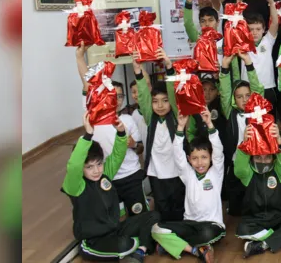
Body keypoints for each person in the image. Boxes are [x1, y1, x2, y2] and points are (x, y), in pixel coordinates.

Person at [62, 113, 160, 262]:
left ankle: (139, 249)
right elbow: (74, 165)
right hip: (94, 240)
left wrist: (121, 132)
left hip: (115, 230)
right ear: (81, 168)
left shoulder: (104, 175)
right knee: (123, 244)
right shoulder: (75, 186)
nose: (96, 170)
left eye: (99, 164)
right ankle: (142, 244)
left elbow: (117, 155)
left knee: (153, 216)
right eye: (89, 167)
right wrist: (88, 135)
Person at [75, 45, 148, 218]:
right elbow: (88, 84)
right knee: (111, 217)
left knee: (139, 215)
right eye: (112, 95)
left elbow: (140, 149)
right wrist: (79, 57)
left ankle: (143, 243)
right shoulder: (95, 116)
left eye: (120, 96)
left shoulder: (128, 120)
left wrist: (133, 144)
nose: (116, 99)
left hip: (131, 176)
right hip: (105, 177)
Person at [151, 112, 226, 262]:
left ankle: (173, 245)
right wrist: (180, 127)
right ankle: (196, 250)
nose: (200, 163)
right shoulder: (187, 173)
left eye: (204, 157)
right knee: (156, 229)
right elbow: (177, 153)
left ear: (211, 158)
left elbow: (218, 149)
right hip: (188, 224)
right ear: (189, 160)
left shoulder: (216, 173)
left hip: (211, 225)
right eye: (195, 158)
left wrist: (210, 124)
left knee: (206, 234)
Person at [236, 124, 281, 258]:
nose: (263, 161)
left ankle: (262, 244)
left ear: (273, 158)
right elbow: (239, 167)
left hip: (278, 219)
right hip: (255, 220)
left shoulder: (279, 171)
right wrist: (245, 143)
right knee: (242, 229)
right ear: (251, 158)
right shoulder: (247, 174)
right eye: (258, 158)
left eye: (267, 158)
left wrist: (279, 141)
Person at [133, 49, 188, 222]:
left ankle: (179, 232)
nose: (160, 105)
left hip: (176, 171)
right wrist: (137, 70)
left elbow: (173, 94)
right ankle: (165, 235)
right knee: (162, 205)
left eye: (164, 101)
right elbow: (143, 97)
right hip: (156, 172)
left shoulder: (175, 115)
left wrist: (169, 66)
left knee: (178, 205)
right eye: (155, 101)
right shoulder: (150, 117)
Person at [218, 52, 264, 216]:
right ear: (234, 99)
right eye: (239, 97)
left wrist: (248, 63)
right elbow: (224, 91)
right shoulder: (231, 113)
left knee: (255, 203)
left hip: (255, 164)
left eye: (247, 95)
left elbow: (257, 88)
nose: (244, 100)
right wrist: (224, 67)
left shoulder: (258, 111)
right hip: (237, 163)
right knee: (237, 210)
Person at [240, 0, 280, 114]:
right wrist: (239, 0)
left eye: (258, 29)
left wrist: (271, 2)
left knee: (269, 123)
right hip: (247, 89)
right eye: (251, 29)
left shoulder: (267, 41)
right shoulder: (242, 42)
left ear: (264, 29)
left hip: (267, 88)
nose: (254, 32)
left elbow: (275, 22)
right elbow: (237, 21)